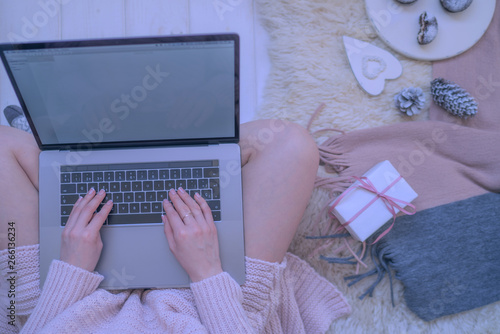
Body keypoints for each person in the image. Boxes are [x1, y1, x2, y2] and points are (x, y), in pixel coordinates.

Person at [0, 119, 351, 333]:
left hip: (57, 306)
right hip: (210, 306)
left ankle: (110, 155)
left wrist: (71, 271)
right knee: (289, 142)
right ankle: (168, 148)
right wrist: (208, 272)